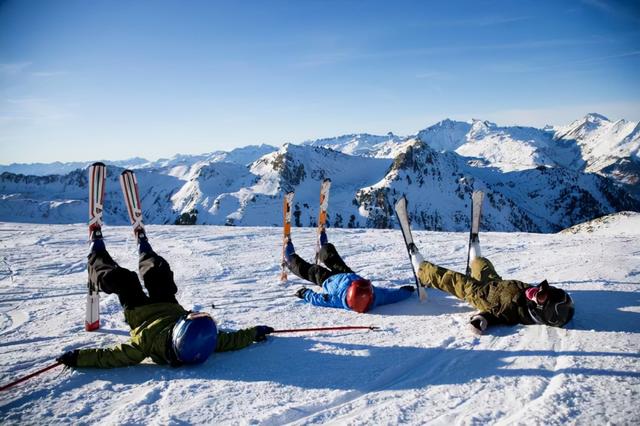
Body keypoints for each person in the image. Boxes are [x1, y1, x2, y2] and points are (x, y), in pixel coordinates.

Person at [57, 226, 273, 368]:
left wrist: (77, 358)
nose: (191, 314)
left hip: (139, 311)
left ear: (179, 331)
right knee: (158, 272)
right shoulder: (205, 342)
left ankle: (96, 257)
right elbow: (234, 340)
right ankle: (145, 250)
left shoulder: (144, 344)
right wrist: (255, 331)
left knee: (123, 279)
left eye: (189, 318)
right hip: (168, 305)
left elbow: (110, 356)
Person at [408, 239, 574, 334]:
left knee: (453, 280)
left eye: (541, 296)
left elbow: (493, 316)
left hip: (479, 294)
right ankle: (475, 259)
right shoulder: (532, 296)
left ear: (540, 311)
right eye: (543, 289)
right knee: (483, 264)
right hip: (496, 283)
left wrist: (481, 320)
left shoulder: (513, 314)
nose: (537, 290)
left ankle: (422, 270)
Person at [285, 228, 414, 313]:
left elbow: (318, 299)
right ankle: (323, 247)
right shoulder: (376, 296)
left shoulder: (337, 299)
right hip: (346, 273)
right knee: (331, 256)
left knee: (312, 270)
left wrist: (305, 293)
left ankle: (290, 260)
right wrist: (406, 291)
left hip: (327, 280)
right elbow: (392, 296)